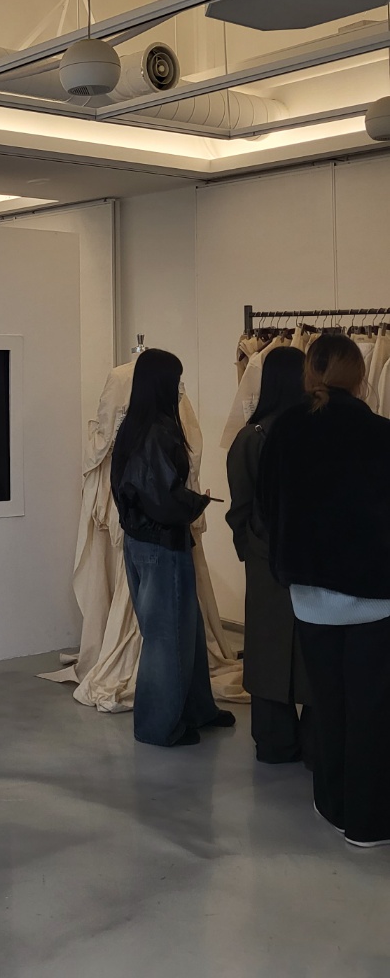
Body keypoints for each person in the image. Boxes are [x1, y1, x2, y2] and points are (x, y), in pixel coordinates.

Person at [260, 334, 390, 847]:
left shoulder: (284, 430)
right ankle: (369, 822)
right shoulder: (381, 433)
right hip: (375, 597)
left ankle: (333, 805)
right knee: (372, 710)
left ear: (310, 373)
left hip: (311, 596)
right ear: (360, 375)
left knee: (329, 705)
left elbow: (268, 508)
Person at [111, 348, 235, 747]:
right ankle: (158, 725)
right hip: (161, 543)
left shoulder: (134, 427)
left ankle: (197, 709)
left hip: (140, 541)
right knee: (167, 637)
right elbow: (162, 498)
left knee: (186, 630)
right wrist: (196, 502)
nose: (180, 389)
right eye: (177, 381)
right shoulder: (159, 430)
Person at [226, 346, 310, 764]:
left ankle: (275, 740)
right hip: (315, 558)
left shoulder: (252, 437)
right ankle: (317, 742)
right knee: (314, 650)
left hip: (266, 558)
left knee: (268, 646)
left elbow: (240, 507)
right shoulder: (317, 431)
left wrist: (251, 551)